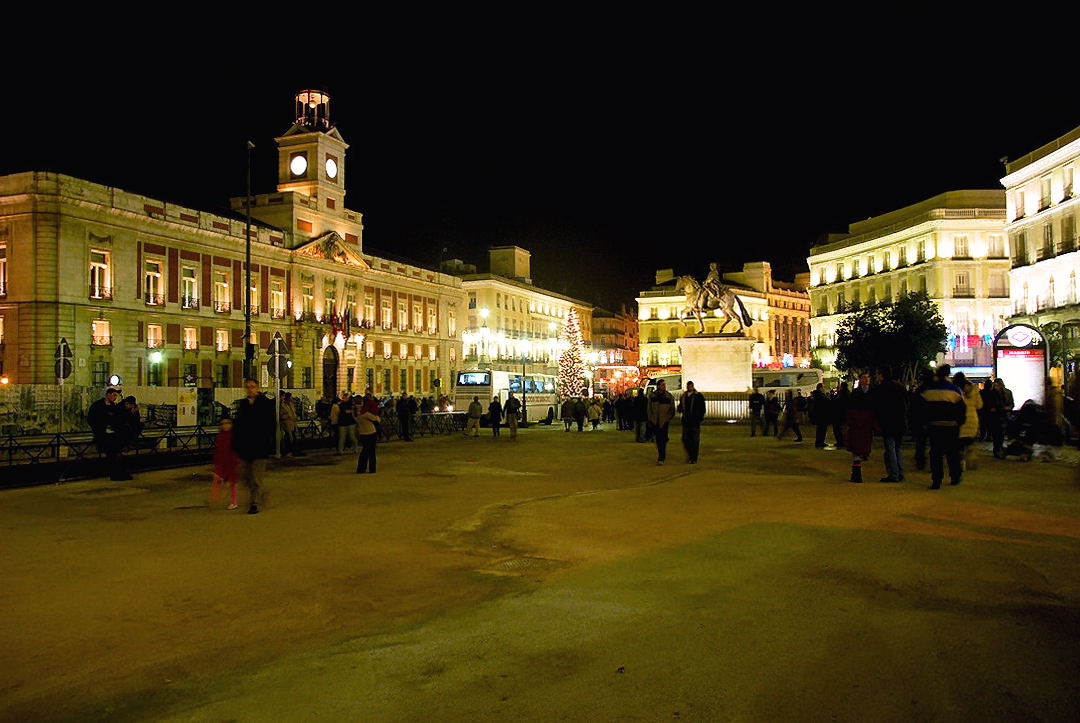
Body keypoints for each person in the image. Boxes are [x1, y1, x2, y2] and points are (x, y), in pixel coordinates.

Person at [231, 378, 275, 514]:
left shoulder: (265, 404)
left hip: (260, 447)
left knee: (256, 477)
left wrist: (269, 442)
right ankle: (260, 493)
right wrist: (235, 444)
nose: (250, 389)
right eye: (248, 387)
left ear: (257, 388)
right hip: (245, 447)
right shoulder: (243, 404)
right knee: (245, 476)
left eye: (252, 386)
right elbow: (237, 425)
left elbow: (271, 424)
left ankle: (254, 503)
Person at [922, 365, 966, 489]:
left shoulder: (929, 390)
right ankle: (955, 477)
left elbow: (923, 409)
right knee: (952, 453)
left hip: (934, 426)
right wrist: (959, 422)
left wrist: (926, 423)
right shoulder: (955, 390)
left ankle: (937, 480)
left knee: (936, 453)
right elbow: (962, 409)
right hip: (951, 426)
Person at [87, 387, 132, 481]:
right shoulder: (97, 406)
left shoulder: (114, 406)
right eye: (114, 395)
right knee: (112, 454)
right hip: (103, 435)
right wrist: (100, 428)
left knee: (115, 454)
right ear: (108, 394)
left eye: (116, 396)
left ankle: (119, 473)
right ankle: (115, 474)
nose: (115, 397)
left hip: (113, 434)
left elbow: (118, 418)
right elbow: (92, 419)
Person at [871, 371, 907, 482]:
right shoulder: (900, 387)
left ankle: (894, 474)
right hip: (900, 422)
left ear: (881, 375)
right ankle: (900, 472)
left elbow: (878, 406)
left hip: (888, 422)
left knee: (890, 448)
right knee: (897, 448)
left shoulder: (881, 388)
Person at [846, 373, 878, 482]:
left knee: (863, 446)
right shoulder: (856, 393)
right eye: (864, 378)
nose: (866, 380)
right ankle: (856, 473)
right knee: (857, 448)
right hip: (858, 424)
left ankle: (858, 466)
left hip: (867, 424)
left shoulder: (873, 392)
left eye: (868, 377)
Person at [954, 372, 983, 472]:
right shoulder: (974, 390)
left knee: (959, 443)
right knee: (970, 442)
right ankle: (971, 460)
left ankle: (962, 463)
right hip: (972, 419)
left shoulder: (955, 390)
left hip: (960, 419)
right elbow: (979, 405)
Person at [210, 416, 240, 510]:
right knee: (218, 478)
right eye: (223, 424)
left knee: (232, 482)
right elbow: (218, 449)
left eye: (227, 423)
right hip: (222, 460)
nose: (225, 426)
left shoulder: (234, 436)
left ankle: (233, 501)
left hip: (231, 461)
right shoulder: (220, 436)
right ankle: (216, 498)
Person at [647, 379, 676, 465]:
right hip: (655, 421)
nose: (664, 386)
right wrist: (651, 418)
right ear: (658, 386)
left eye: (664, 385)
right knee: (658, 440)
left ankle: (661, 457)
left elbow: (672, 409)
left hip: (664, 421)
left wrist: (668, 418)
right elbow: (649, 408)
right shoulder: (652, 396)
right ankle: (661, 455)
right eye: (662, 385)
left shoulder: (668, 396)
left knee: (662, 439)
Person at [677, 380, 706, 463]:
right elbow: (681, 406)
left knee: (694, 440)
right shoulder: (684, 396)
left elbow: (702, 408)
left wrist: (700, 418)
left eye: (690, 386)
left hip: (694, 421)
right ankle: (690, 455)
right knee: (685, 439)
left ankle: (693, 458)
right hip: (686, 421)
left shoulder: (698, 396)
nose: (689, 388)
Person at [356, 388, 382, 474]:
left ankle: (361, 468)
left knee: (364, 451)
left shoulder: (358, 414)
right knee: (371, 452)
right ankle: (372, 469)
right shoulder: (367, 414)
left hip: (362, 433)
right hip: (371, 433)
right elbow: (377, 419)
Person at [279, 392, 298, 457]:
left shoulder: (291, 404)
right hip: (287, 423)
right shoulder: (283, 405)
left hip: (292, 423)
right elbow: (282, 414)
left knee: (293, 437)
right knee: (289, 437)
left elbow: (293, 412)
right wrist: (287, 416)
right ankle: (288, 451)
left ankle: (293, 451)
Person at [831, 383, 849, 448]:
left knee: (840, 429)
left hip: (840, 415)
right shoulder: (842, 393)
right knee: (840, 429)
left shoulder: (843, 394)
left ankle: (841, 442)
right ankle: (841, 441)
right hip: (841, 414)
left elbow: (838, 403)